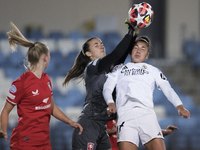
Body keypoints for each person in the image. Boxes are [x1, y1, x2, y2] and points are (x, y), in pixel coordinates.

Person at [0, 22, 83, 150]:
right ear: (44, 57)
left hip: (44, 142)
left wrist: (70, 122)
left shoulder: (47, 79)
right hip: (25, 142)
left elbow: (52, 108)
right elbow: (5, 110)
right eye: (49, 55)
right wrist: (3, 130)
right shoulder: (21, 83)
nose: (50, 58)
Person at [103, 35, 190, 150]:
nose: (139, 50)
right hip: (125, 116)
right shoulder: (118, 70)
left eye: (143, 48)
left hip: (147, 115)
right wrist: (110, 102)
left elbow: (167, 89)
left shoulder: (153, 70)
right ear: (130, 51)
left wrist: (179, 107)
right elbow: (107, 88)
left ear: (147, 55)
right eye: (136, 47)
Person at [62, 19, 139, 150]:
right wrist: (129, 32)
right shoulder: (92, 67)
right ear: (88, 54)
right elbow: (116, 55)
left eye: (102, 43)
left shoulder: (106, 68)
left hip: (101, 127)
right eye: (96, 45)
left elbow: (121, 56)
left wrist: (134, 34)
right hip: (88, 125)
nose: (101, 46)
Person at [106, 120, 179, 150]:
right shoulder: (102, 116)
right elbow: (96, 132)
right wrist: (110, 130)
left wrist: (166, 132)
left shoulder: (126, 117)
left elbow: (146, 132)